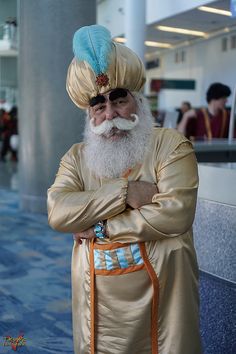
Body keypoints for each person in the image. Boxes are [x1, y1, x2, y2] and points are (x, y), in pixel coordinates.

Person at [47, 25, 201, 354]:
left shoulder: (171, 146)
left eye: (119, 100)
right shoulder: (76, 158)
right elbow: (59, 211)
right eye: (99, 106)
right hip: (97, 302)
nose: (111, 115)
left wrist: (100, 226)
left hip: (163, 301)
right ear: (89, 114)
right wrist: (125, 192)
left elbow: (175, 215)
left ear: (137, 100)